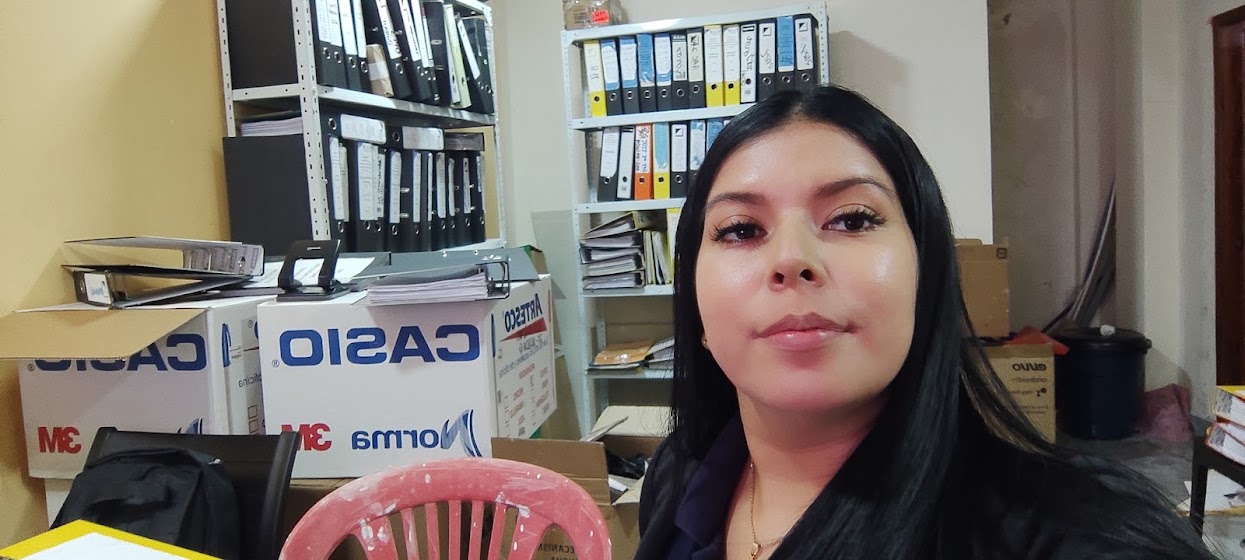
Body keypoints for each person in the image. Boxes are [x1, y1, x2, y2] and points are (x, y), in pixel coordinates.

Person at [634, 86, 1216, 559]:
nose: (791, 259)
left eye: (852, 219)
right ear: (697, 306)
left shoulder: (1073, 534)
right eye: (740, 229)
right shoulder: (677, 476)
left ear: (926, 274)